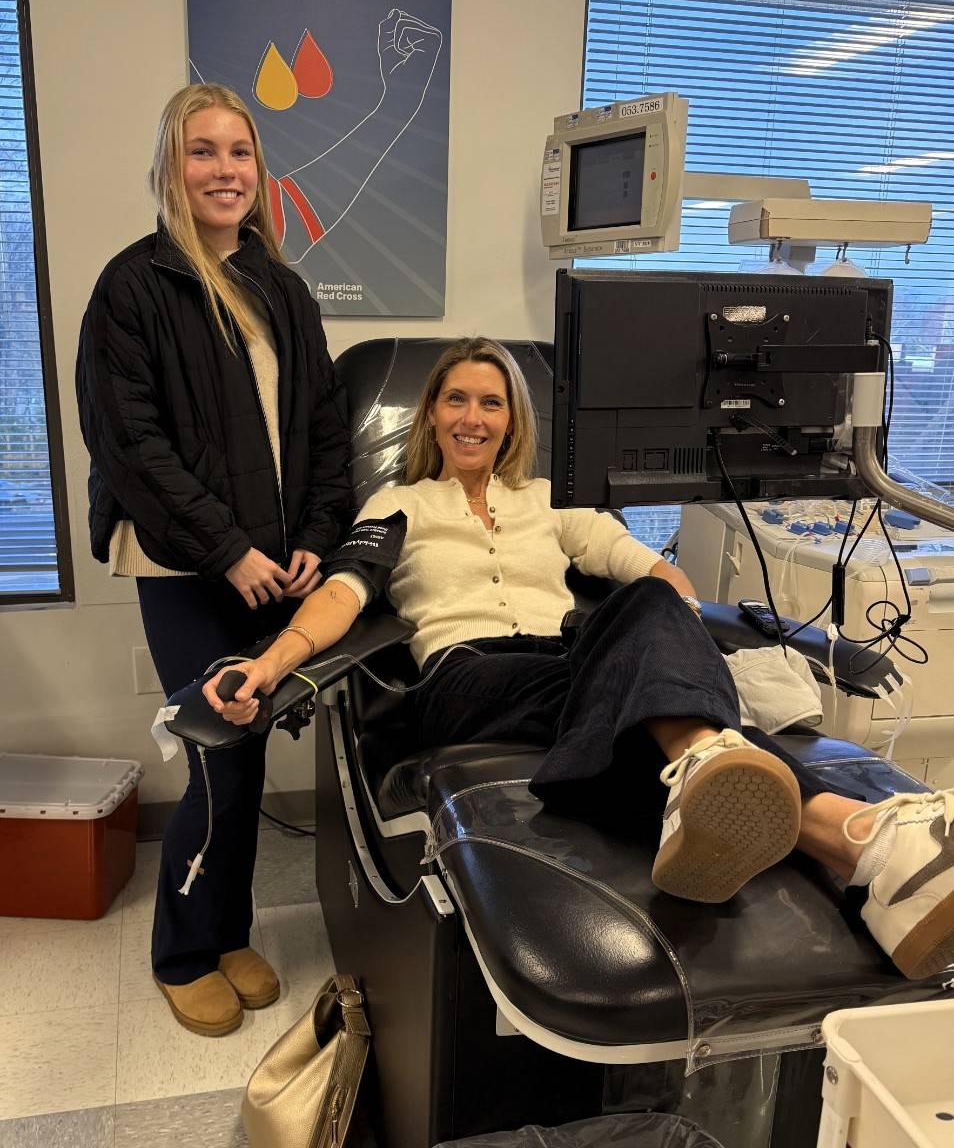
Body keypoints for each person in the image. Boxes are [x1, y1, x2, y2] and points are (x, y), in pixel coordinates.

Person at [204, 337, 954, 983]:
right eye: (457, 400)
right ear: (432, 412)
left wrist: (682, 634)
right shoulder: (397, 505)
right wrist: (274, 662)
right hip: (466, 678)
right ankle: (865, 834)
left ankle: (844, 847)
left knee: (653, 633)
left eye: (491, 403)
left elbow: (647, 570)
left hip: (564, 668)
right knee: (650, 699)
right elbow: (342, 594)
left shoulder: (547, 501)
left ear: (512, 418)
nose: (473, 418)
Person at [76, 83, 352, 1036]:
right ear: (170, 166)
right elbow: (130, 446)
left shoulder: (282, 286)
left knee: (245, 749)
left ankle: (227, 929)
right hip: (183, 563)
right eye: (203, 152)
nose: (225, 170)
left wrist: (316, 534)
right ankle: (184, 952)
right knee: (211, 761)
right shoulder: (132, 287)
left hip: (275, 562)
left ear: (259, 172)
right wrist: (227, 549)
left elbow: (321, 425)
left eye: (240, 153)